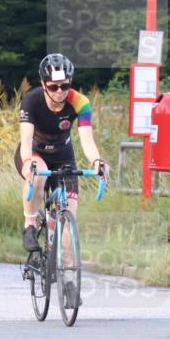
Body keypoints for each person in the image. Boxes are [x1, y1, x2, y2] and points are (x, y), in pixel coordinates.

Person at [16, 54, 109, 255]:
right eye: (53, 87)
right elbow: (26, 139)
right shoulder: (32, 100)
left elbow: (87, 140)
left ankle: (64, 266)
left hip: (62, 155)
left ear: (70, 82)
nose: (59, 91)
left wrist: (97, 161)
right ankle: (30, 224)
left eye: (65, 86)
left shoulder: (80, 102)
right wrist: (28, 162)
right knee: (38, 172)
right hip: (35, 152)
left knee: (69, 215)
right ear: (43, 84)